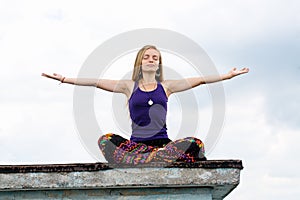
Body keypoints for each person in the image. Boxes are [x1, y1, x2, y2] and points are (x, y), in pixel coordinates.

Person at [42, 45, 249, 165]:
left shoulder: (166, 86)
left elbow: (200, 80)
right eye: (147, 57)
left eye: (155, 58)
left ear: (159, 63)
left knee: (196, 143)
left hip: (163, 146)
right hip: (136, 148)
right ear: (140, 62)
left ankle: (152, 160)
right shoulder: (128, 86)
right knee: (105, 140)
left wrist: (227, 76)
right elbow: (96, 82)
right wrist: (65, 79)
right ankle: (151, 160)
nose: (151, 60)